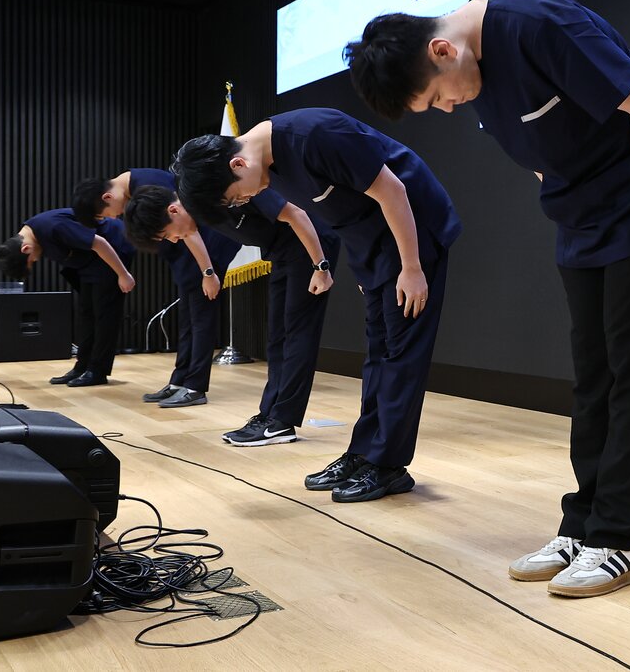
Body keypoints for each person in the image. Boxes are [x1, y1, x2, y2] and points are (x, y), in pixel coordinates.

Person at [342, 0, 630, 597]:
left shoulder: (537, 25)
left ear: (442, 49)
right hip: (583, 220)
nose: (446, 108)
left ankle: (619, 537)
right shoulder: (471, 66)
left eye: (438, 96)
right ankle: (583, 525)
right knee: (593, 376)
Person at [171, 107, 461, 503]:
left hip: (412, 232)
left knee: (401, 352)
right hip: (374, 245)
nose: (245, 201)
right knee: (378, 351)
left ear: (238, 163)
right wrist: (364, 270)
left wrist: (412, 266)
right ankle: (364, 453)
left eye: (236, 196)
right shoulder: (271, 165)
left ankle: (389, 465)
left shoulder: (315, 135)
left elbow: (393, 191)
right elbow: (341, 216)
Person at [124, 183, 341, 446]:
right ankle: (269, 414)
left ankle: (283, 422)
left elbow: (296, 214)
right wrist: (207, 273)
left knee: (297, 333)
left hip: (311, 243)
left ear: (173, 211)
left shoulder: (217, 192)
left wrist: (321, 265)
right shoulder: (194, 209)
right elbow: (191, 235)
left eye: (166, 234)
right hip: (283, 250)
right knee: (276, 337)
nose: (172, 240)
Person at [72, 172, 239, 408]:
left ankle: (195, 387)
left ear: (108, 197)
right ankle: (180, 380)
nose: (114, 216)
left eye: (105, 214)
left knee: (201, 319)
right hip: (190, 255)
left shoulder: (149, 185)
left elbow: (188, 227)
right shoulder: (136, 187)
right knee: (188, 319)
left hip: (205, 250)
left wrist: (208, 272)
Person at [0, 208, 136, 386]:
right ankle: (82, 367)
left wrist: (123, 274)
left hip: (112, 249)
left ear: (26, 249)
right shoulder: (34, 232)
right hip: (92, 261)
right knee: (86, 314)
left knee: (105, 315)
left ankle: (98, 371)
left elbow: (99, 243)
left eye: (32, 261)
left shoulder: (53, 227)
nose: (36, 260)